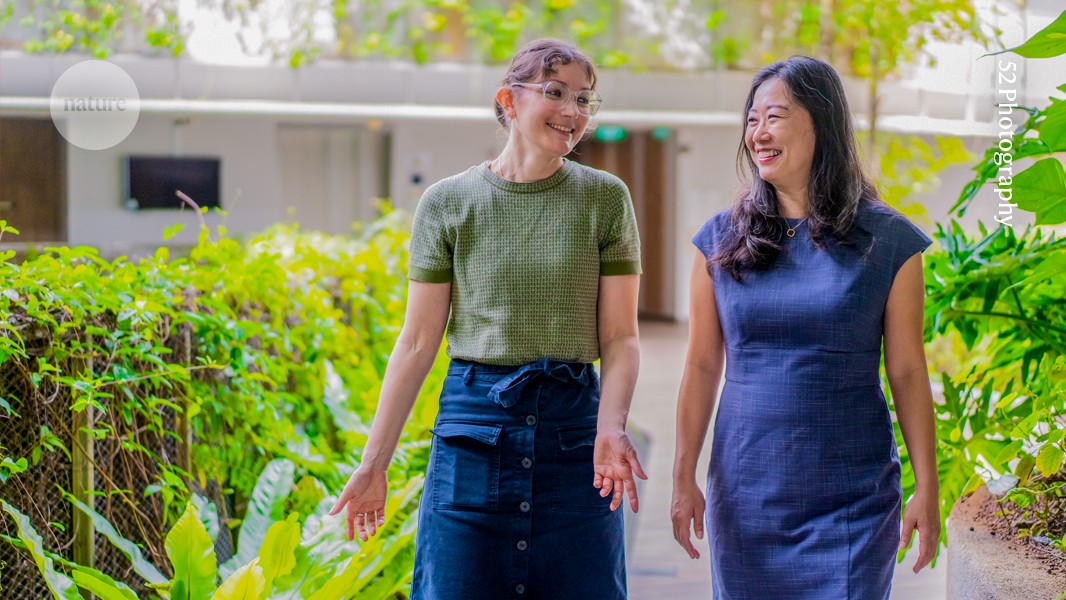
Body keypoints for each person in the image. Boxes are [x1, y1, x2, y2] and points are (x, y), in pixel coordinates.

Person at [329, 38, 647, 600]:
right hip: (473, 430)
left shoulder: (605, 199)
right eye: (555, 93)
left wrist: (611, 425)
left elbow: (621, 338)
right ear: (508, 100)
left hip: (577, 438)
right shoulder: (447, 203)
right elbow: (418, 342)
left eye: (584, 100)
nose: (573, 112)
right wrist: (373, 462)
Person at [670, 55, 941, 599]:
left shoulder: (889, 242)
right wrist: (682, 477)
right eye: (751, 119)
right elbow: (701, 365)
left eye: (774, 116)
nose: (759, 132)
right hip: (747, 492)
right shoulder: (720, 240)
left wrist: (928, 487)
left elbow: (909, 371)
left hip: (852, 497)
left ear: (822, 122)